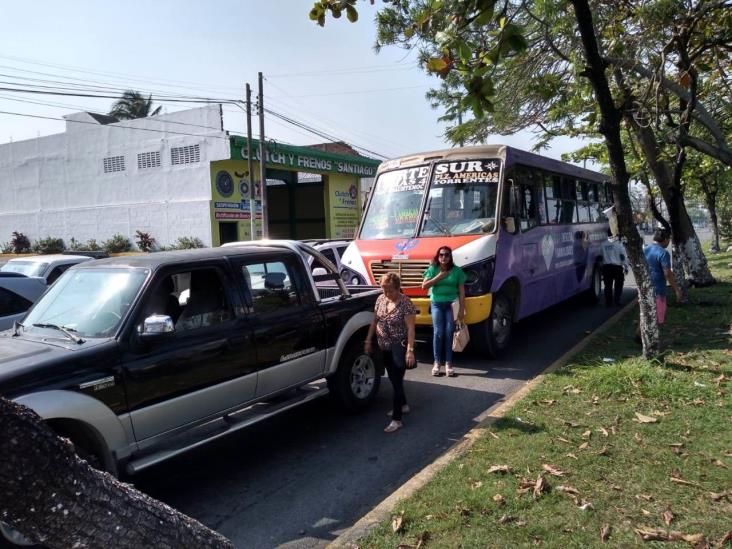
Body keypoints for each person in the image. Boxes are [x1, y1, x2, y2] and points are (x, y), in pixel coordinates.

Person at [364, 273, 417, 433]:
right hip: (383, 345)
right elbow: (375, 321)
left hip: (398, 345)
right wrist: (368, 340)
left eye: (390, 290)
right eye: (384, 289)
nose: (387, 293)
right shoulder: (380, 299)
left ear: (397, 288)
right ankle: (404, 405)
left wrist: (410, 350)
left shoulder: (406, 303)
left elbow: (411, 329)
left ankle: (397, 419)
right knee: (394, 379)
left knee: (397, 379)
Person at [422, 246, 466, 377]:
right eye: (441, 255)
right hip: (437, 304)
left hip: (452, 304)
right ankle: (437, 362)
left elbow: (462, 291)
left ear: (450, 256)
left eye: (446, 255)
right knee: (438, 332)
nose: (443, 257)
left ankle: (448, 363)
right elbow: (424, 286)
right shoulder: (433, 269)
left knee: (449, 332)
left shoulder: (457, 271)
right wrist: (439, 277)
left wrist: (462, 309)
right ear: (438, 256)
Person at [644, 228, 684, 328]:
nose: (669, 242)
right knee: (658, 319)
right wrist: (677, 290)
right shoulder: (663, 253)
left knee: (646, 316)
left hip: (644, 288)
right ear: (665, 239)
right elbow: (667, 273)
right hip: (658, 290)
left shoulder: (645, 250)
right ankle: (652, 341)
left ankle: (640, 338)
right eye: (669, 240)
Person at [601, 230, 628, 306]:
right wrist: (626, 267)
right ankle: (617, 300)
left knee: (608, 285)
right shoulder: (619, 244)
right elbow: (623, 257)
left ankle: (608, 302)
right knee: (618, 285)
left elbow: (601, 256)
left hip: (606, 267)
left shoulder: (603, 244)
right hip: (617, 267)